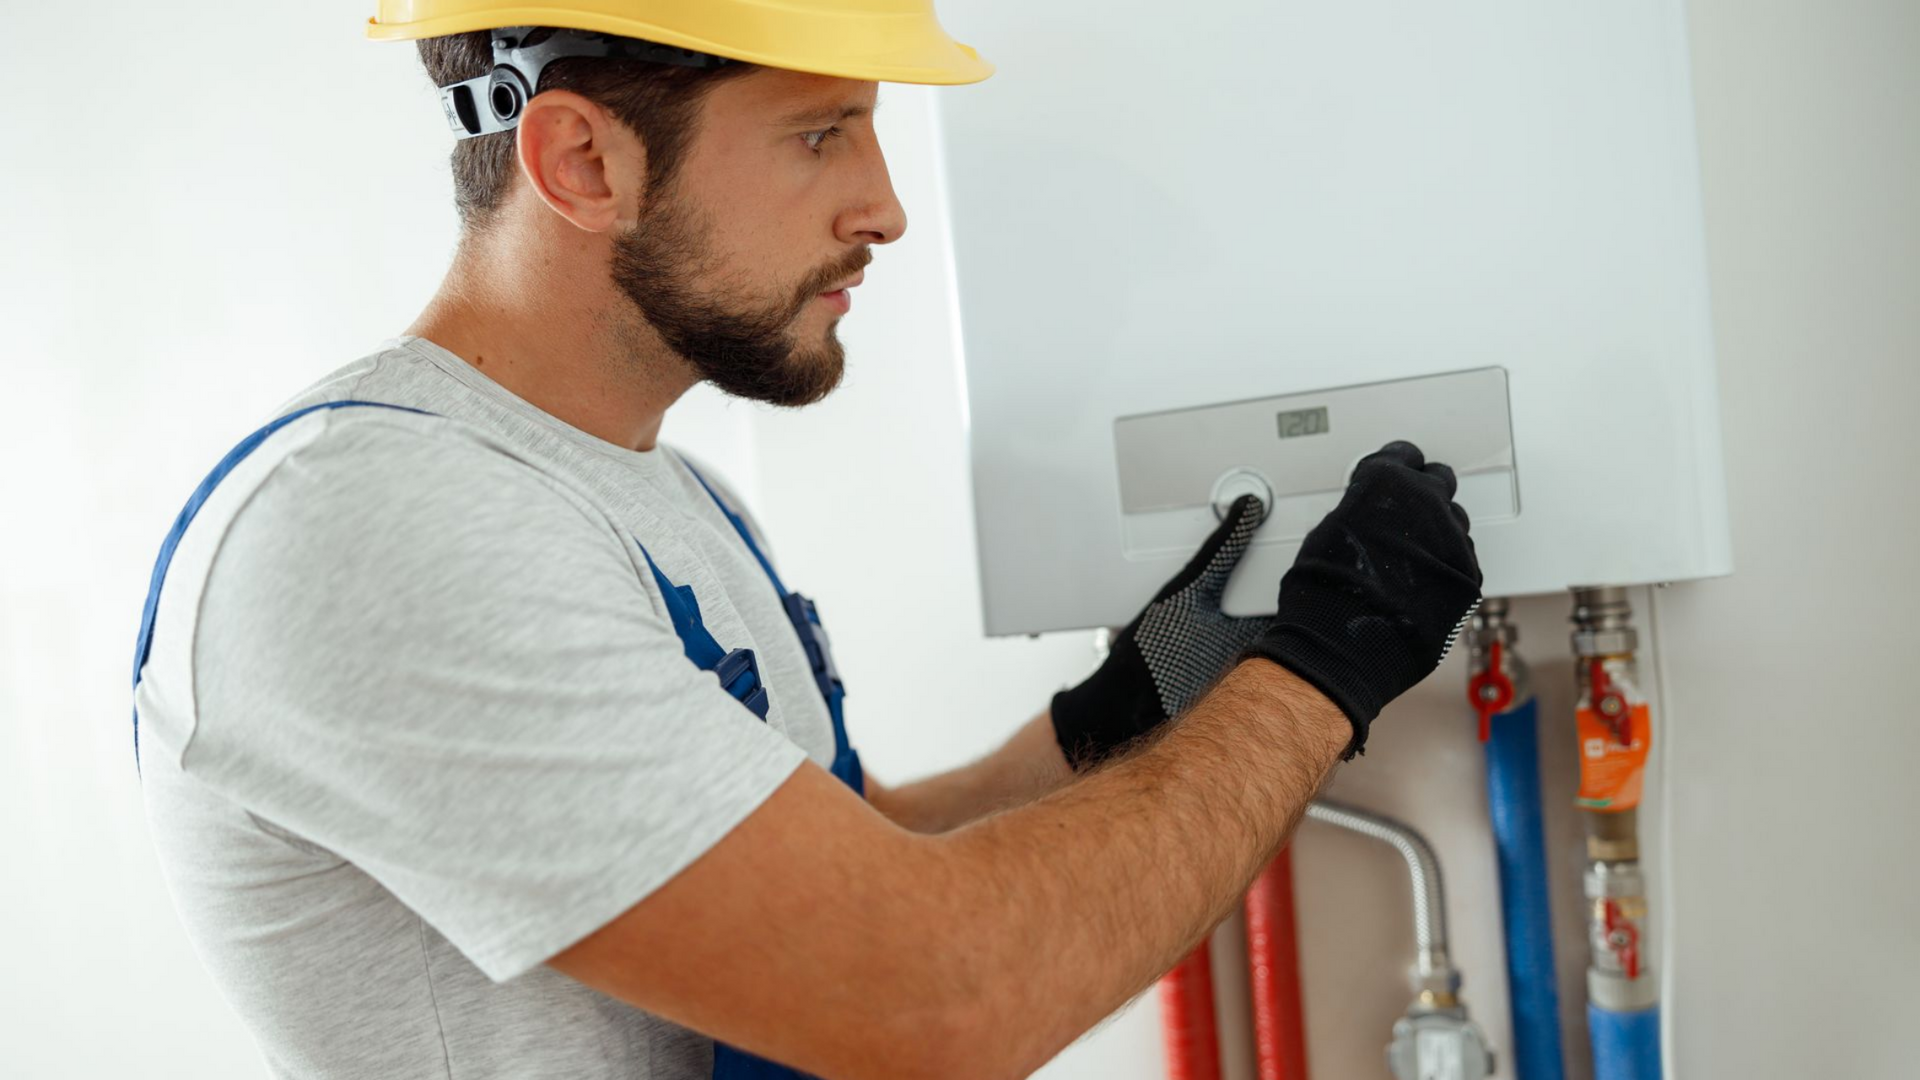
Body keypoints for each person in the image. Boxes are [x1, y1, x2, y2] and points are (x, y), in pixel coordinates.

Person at [131, 3, 1483, 1078]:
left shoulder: (662, 498)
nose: (884, 207)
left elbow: (838, 859)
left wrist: (1115, 716)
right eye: (823, 132)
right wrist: (1313, 681)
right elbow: (931, 1006)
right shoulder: (377, 529)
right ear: (583, 161)